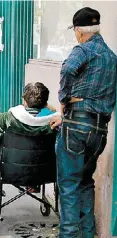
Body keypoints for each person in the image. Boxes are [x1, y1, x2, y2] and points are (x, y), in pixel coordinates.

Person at [50, 7, 117, 238]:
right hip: (99, 130)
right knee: (86, 182)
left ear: (79, 31)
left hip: (77, 125)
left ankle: (68, 235)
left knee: (68, 185)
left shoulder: (82, 49)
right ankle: (88, 234)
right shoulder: (111, 57)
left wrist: (63, 99)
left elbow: (68, 69)